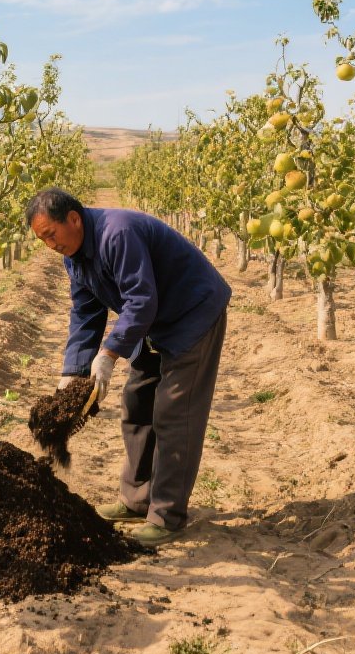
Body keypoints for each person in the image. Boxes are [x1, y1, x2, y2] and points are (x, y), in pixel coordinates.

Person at [26, 187, 230, 547]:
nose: (50, 245)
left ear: (73, 219)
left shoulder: (117, 233)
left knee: (174, 412)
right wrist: (71, 373)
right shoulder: (74, 257)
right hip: (155, 322)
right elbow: (86, 313)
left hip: (192, 313)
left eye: (51, 235)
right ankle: (137, 501)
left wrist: (108, 354)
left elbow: (140, 299)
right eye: (42, 240)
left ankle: (167, 517)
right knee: (137, 402)